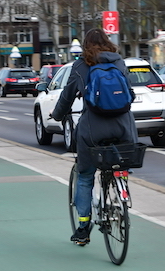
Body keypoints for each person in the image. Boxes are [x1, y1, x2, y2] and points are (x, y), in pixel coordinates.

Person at [51, 28, 136, 245]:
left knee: (85, 175)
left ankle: (82, 228)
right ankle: (121, 189)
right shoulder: (119, 62)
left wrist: (58, 115)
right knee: (120, 164)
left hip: (92, 130)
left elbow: (67, 96)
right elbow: (131, 94)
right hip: (123, 128)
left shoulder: (80, 66)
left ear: (85, 46)